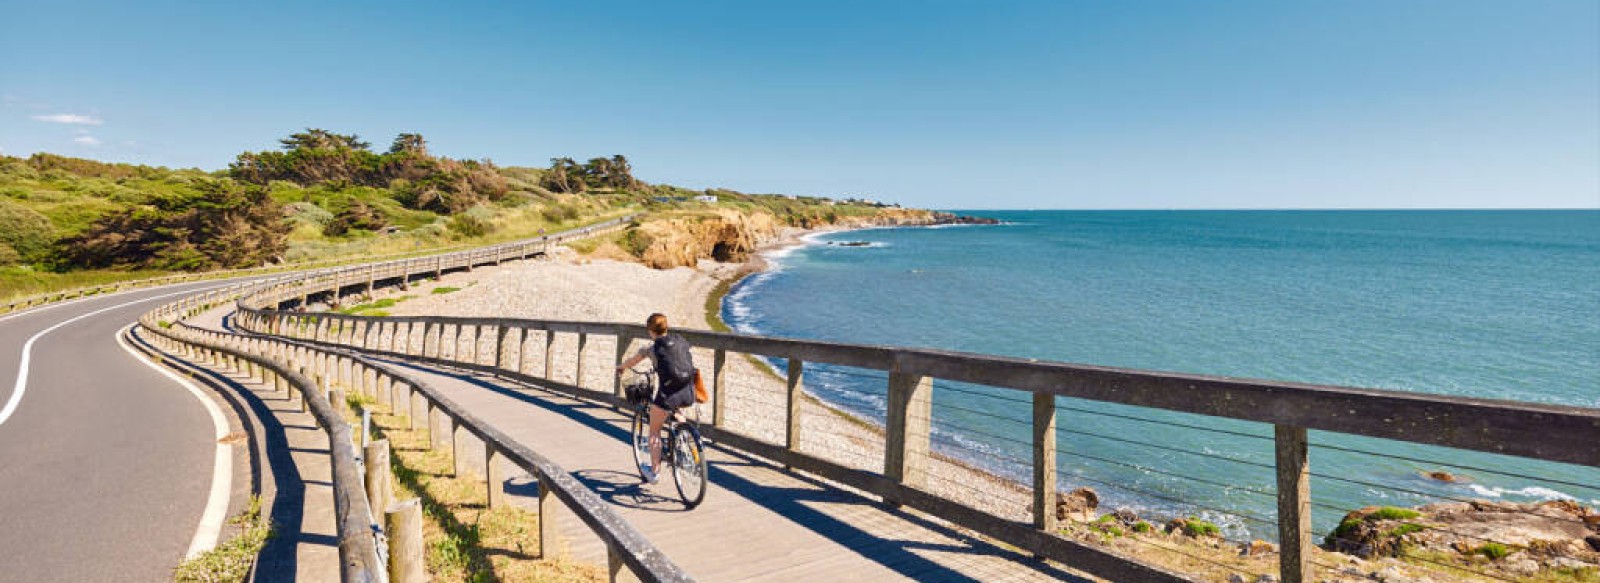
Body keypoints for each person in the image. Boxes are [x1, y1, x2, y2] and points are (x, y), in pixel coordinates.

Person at [615, 313, 696, 484]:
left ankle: (654, 472)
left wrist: (622, 367)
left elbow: (633, 361)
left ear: (650, 330)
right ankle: (686, 437)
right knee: (677, 412)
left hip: (669, 394)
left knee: (654, 430)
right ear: (666, 327)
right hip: (688, 391)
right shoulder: (680, 342)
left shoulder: (652, 349)